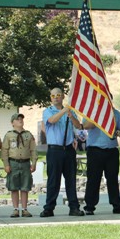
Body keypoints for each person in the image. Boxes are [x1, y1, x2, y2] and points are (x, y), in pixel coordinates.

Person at [41, 87, 84, 217]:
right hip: (55, 150)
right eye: (53, 95)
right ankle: (49, 208)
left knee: (71, 179)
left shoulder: (70, 111)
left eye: (58, 95)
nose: (56, 97)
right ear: (50, 98)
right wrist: (64, 111)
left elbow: (78, 126)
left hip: (69, 149)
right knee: (53, 180)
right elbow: (51, 121)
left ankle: (74, 207)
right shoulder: (48, 111)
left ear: (63, 96)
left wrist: (71, 116)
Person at [82, 107, 120, 215]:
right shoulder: (91, 111)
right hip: (95, 150)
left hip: (111, 150)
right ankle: (90, 206)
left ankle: (117, 206)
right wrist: (97, 115)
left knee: (113, 179)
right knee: (93, 179)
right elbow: (85, 126)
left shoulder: (116, 113)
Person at [1, 113, 37, 218]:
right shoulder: (9, 135)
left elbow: (33, 150)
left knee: (25, 186)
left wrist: (33, 162)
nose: (20, 120)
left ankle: (25, 209)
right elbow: (4, 151)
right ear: (12, 123)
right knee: (14, 187)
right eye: (17, 119)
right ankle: (15, 209)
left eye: (21, 119)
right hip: (13, 163)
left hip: (25, 162)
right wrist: (6, 164)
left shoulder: (28, 135)